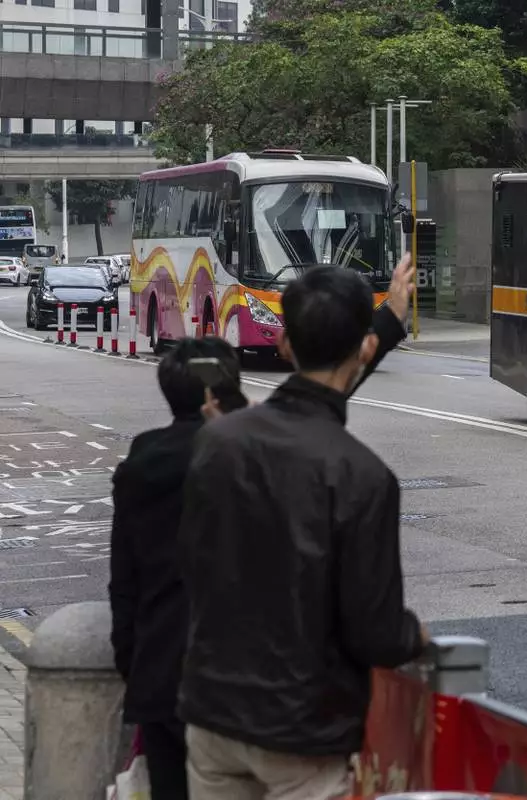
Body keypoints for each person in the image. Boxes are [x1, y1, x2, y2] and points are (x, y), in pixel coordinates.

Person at [109, 254, 417, 800]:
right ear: (364, 348)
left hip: (210, 719)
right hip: (299, 732)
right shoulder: (363, 476)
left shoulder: (219, 442)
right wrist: (417, 637)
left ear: (283, 346)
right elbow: (377, 633)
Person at [109, 336, 244, 799]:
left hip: (160, 673)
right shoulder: (246, 456)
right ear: (221, 391)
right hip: (239, 679)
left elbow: (123, 580)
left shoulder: (141, 462)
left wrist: (132, 663)